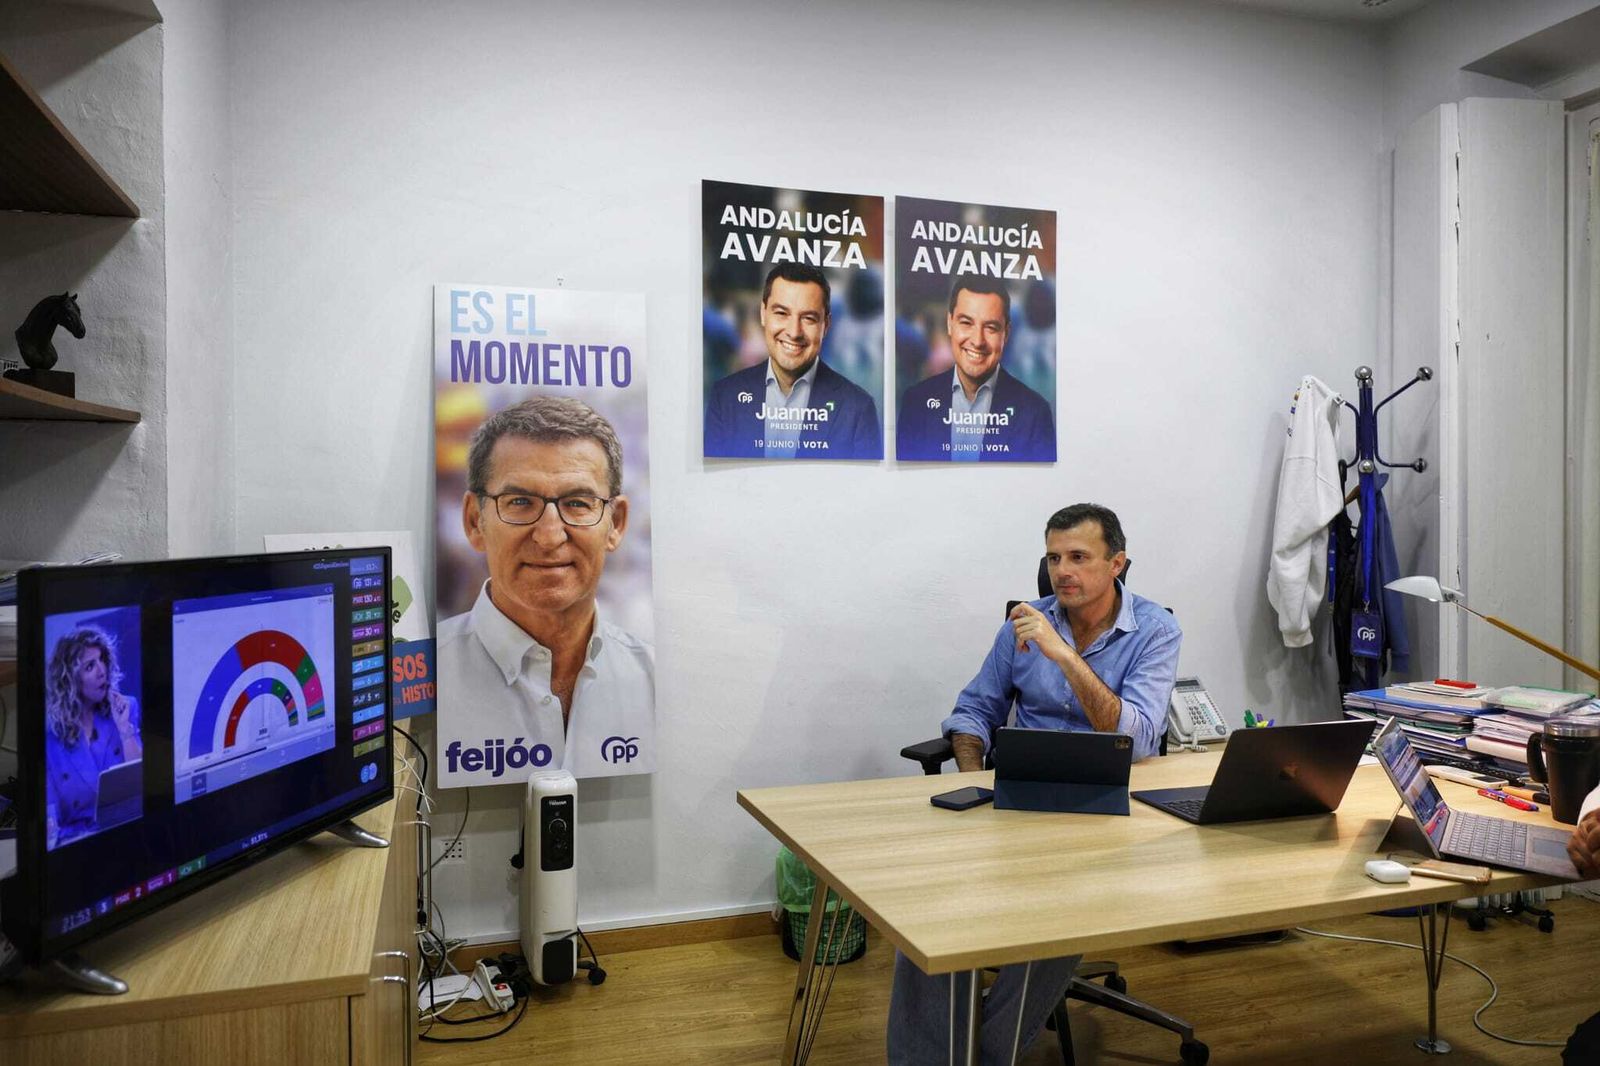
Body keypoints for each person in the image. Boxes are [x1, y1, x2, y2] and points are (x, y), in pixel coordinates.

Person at [887, 503, 1182, 1064]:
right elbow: (973, 710)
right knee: (926, 911)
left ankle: (988, 1056)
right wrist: (975, 779)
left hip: (1103, 809)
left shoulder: (1155, 630)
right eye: (1053, 558)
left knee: (1054, 916)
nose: (1061, 571)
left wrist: (1063, 654)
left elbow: (1141, 737)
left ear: (1116, 563)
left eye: (1078, 557)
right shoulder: (1021, 624)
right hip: (1016, 798)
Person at [437, 395, 655, 777]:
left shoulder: (655, 679)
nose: (550, 535)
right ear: (474, 521)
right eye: (520, 501)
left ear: (616, 523)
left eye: (578, 503)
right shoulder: (426, 679)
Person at [704, 263, 882, 460]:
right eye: (781, 313)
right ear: (763, 314)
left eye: (808, 318)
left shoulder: (858, 408)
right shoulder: (725, 397)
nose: (794, 332)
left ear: (826, 325)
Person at [896, 275, 1056, 462]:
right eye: (966, 323)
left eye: (991, 327)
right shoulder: (915, 403)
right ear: (949, 324)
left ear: (1006, 334)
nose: (978, 341)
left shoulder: (1036, 413)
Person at [44, 625, 142, 848]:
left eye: (102, 660)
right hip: (81, 844)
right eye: (90, 666)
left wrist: (125, 729)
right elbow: (52, 827)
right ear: (70, 681)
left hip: (130, 834)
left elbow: (143, 787)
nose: (102, 671)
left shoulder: (127, 708)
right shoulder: (51, 743)